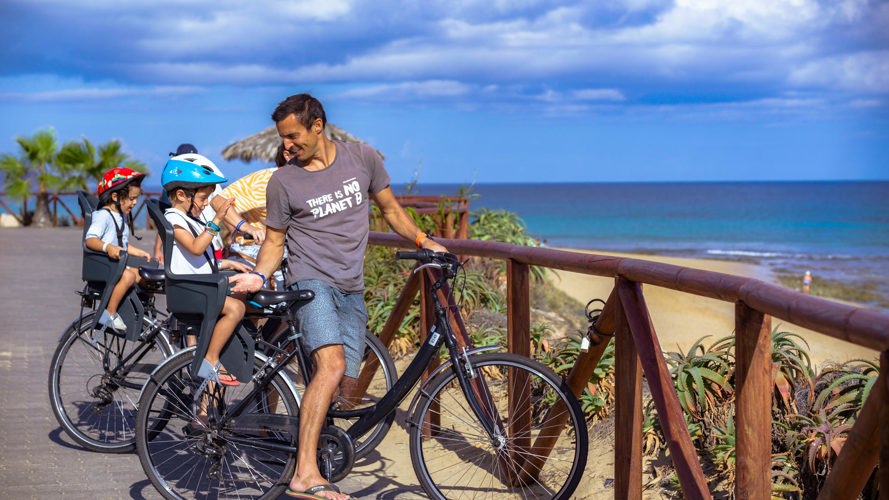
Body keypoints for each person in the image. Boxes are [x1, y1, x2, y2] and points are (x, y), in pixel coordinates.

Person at [229, 93, 446, 500]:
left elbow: (391, 211)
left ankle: (312, 443)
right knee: (330, 367)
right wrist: (259, 275)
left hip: (351, 284)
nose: (287, 146)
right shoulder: (283, 181)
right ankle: (304, 474)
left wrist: (424, 240)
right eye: (282, 138)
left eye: (293, 136)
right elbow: (275, 242)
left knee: (343, 381)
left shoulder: (362, 158)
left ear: (317, 125)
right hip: (310, 281)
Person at [161, 156, 251, 385]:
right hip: (188, 290)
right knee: (235, 308)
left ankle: (225, 352)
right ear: (181, 195)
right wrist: (218, 220)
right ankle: (210, 359)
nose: (205, 204)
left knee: (244, 292)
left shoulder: (190, 219)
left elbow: (196, 260)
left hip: (198, 285)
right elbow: (195, 247)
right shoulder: (174, 218)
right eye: (202, 198)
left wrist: (228, 264)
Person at [84, 167, 153, 332]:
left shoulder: (120, 215)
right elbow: (90, 240)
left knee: (147, 278)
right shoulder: (103, 216)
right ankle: (109, 313)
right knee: (129, 275)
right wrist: (107, 247)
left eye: (137, 198)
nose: (135, 203)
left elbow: (121, 243)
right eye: (131, 199)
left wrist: (138, 252)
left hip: (117, 265)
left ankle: (143, 315)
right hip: (104, 265)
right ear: (115, 197)